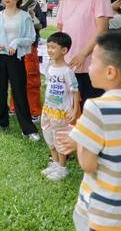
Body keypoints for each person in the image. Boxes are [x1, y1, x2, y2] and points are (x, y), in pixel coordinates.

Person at [57, 31, 121, 231]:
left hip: (100, 212)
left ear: (110, 72)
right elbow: (120, 143)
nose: (89, 67)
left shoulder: (96, 107)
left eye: (93, 62)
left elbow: (88, 164)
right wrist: (83, 137)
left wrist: (79, 141)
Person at [53, 0, 113, 104]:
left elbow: (102, 29)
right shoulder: (65, 0)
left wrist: (83, 54)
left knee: (92, 110)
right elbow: (60, 30)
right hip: (69, 66)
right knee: (71, 109)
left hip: (93, 66)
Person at [0, 0, 40, 141]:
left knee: (19, 91)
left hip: (16, 57)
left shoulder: (24, 16)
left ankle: (28, 129)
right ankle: (0, 122)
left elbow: (31, 37)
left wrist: (16, 42)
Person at [40, 32, 80, 181]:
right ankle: (55, 164)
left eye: (53, 47)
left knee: (60, 138)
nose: (49, 50)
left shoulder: (67, 71)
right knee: (49, 135)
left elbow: (75, 91)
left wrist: (75, 110)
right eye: (48, 47)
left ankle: (63, 168)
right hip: (48, 109)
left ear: (64, 50)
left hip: (61, 112)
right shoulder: (49, 67)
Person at [13, 0, 45, 122]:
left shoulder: (33, 4)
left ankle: (34, 111)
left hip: (29, 46)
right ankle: (14, 108)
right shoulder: (12, 3)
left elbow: (41, 25)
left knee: (31, 79)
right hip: (13, 46)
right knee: (15, 78)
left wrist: (32, 16)